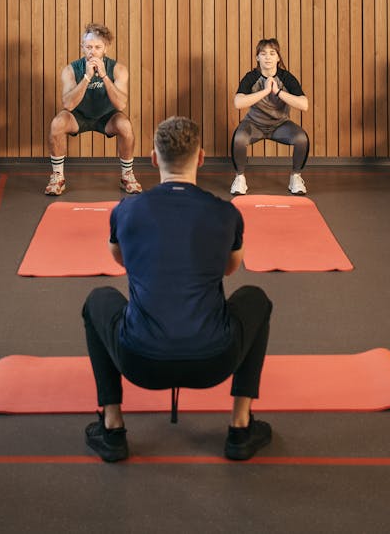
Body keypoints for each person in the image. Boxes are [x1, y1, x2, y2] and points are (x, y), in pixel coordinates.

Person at [82, 116, 273, 462]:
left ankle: (112, 426)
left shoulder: (126, 210)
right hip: (214, 361)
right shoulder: (226, 213)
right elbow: (230, 268)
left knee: (98, 300)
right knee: (256, 299)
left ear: (153, 159)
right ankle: (241, 426)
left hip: (139, 361)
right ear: (201, 157)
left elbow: (120, 260)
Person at [46, 23, 141, 195]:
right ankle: (57, 177)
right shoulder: (71, 69)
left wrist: (104, 75)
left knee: (125, 126)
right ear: (82, 47)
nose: (92, 51)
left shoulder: (118, 69)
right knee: (57, 123)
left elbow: (120, 105)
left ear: (106, 48)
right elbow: (68, 105)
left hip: (106, 117)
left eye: (97, 47)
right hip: (78, 117)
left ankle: (127, 175)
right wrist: (87, 77)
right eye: (88, 47)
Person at [230, 38, 310, 196]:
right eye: (263, 53)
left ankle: (296, 177)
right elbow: (238, 102)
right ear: (257, 57)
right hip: (254, 125)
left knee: (301, 139)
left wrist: (278, 92)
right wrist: (265, 91)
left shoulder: (286, 77)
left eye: (272, 53)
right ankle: (239, 178)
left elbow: (304, 104)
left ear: (278, 57)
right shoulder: (251, 77)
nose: (267, 57)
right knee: (239, 139)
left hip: (280, 125)